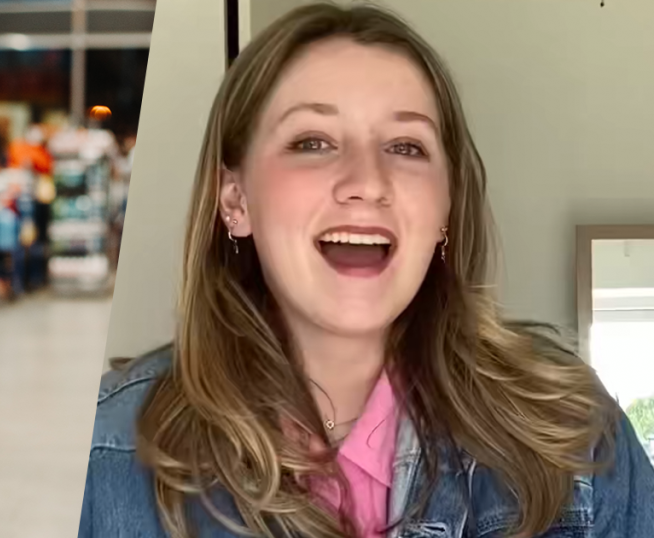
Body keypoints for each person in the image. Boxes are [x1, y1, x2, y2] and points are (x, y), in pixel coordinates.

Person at [79, 4, 654, 538]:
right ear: (236, 200)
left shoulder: (574, 437)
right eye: (313, 141)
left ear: (446, 209)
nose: (367, 183)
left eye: (406, 147)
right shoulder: (102, 456)